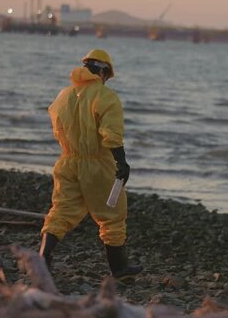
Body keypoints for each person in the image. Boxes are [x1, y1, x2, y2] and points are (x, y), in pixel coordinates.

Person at [39, 48, 142, 281]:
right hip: (97, 164)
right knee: (112, 215)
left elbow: (59, 127)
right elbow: (111, 134)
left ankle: (43, 256)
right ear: (103, 72)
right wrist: (121, 162)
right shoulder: (106, 97)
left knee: (61, 210)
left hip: (67, 162)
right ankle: (119, 268)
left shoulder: (64, 95)